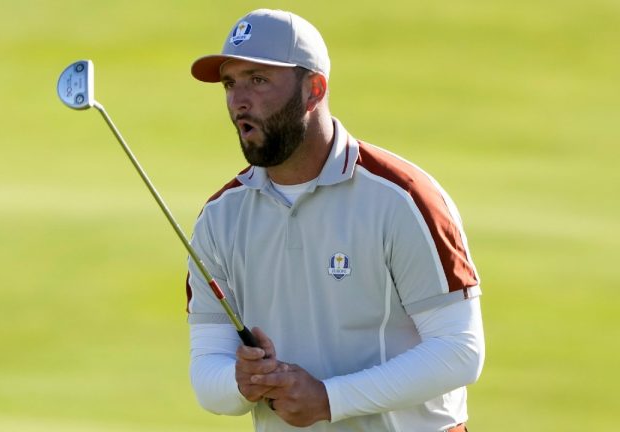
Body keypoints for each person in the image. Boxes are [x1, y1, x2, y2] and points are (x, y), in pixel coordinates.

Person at [185, 9, 484, 432]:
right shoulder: (220, 218)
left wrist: (329, 399)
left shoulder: (403, 197)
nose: (239, 102)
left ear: (313, 89)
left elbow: (459, 351)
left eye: (258, 80)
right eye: (231, 84)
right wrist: (240, 383)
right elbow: (206, 374)